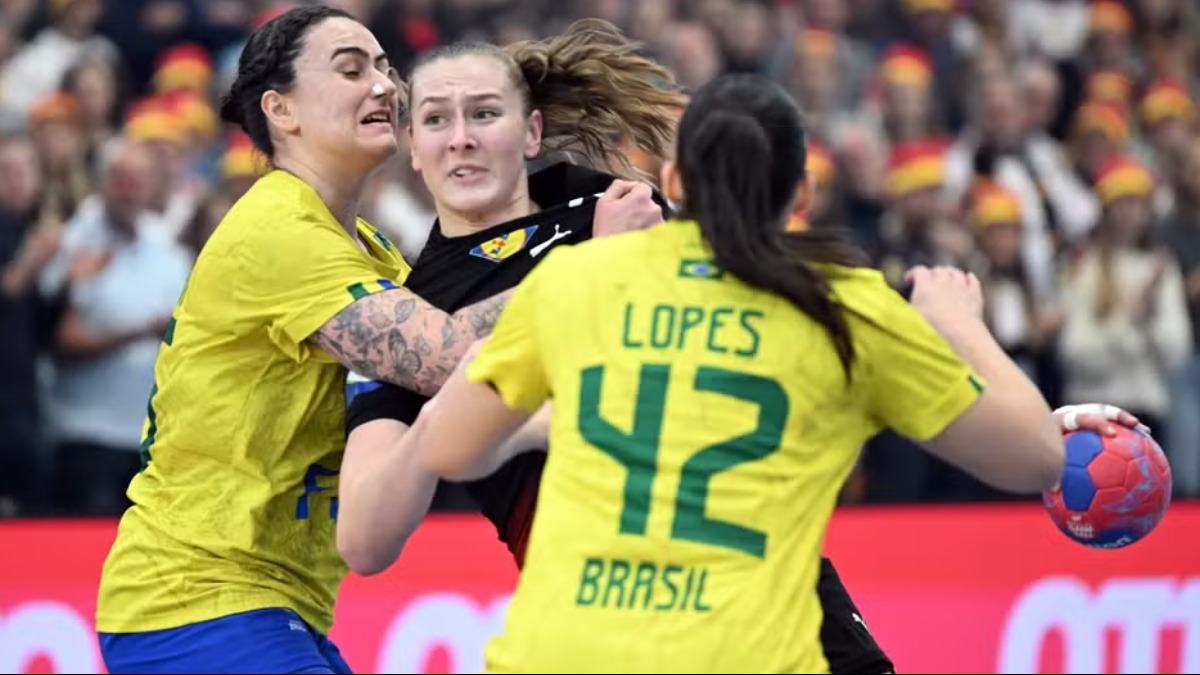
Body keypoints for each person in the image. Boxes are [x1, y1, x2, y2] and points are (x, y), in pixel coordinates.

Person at [404, 73, 1069, 673]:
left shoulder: (578, 278)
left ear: (672, 184)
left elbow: (447, 447)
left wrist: (547, 419)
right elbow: (1037, 457)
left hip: (556, 655)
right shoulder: (844, 305)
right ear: (801, 191)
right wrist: (961, 326)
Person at [92, 7, 657, 674]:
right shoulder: (277, 229)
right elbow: (447, 356)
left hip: (272, 604)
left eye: (386, 68)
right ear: (283, 110)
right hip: (191, 600)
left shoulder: (376, 255)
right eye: (352, 69)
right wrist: (592, 261)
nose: (386, 86)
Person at [334, 22, 912, 674]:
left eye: (485, 113)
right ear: (412, 147)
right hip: (605, 615)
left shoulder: (615, 204)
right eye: (436, 119)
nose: (461, 136)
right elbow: (362, 539)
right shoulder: (407, 318)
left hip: (760, 571)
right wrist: (459, 416)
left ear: (530, 133)